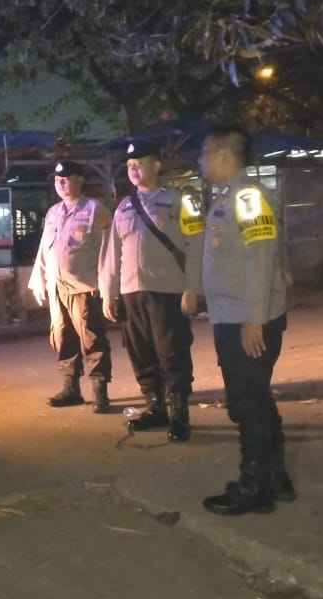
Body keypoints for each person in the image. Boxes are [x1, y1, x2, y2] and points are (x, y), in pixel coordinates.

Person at [194, 125, 292, 515]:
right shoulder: (229, 196)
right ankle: (275, 477)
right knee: (256, 398)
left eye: (204, 153)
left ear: (223, 155)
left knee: (246, 403)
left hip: (245, 320)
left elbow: (261, 257)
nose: (200, 161)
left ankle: (253, 488)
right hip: (233, 316)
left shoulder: (248, 196)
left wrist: (254, 320)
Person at [100, 139, 202, 441]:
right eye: (129, 165)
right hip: (131, 292)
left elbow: (196, 245)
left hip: (168, 290)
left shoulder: (179, 199)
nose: (133, 169)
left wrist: (192, 287)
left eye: (139, 163)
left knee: (172, 352)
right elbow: (112, 253)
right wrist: (108, 292)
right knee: (140, 353)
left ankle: (179, 415)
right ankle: (156, 407)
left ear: (156, 164)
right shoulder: (123, 206)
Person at [28, 160, 113, 412]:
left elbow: (108, 252)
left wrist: (108, 287)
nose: (61, 184)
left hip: (85, 288)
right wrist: (39, 280)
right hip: (57, 288)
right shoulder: (53, 213)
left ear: (80, 180)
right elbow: (44, 250)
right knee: (62, 337)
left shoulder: (96, 210)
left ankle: (100, 391)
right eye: (57, 180)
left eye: (66, 179)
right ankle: (71, 388)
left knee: (92, 339)